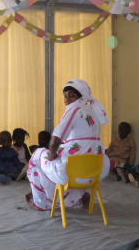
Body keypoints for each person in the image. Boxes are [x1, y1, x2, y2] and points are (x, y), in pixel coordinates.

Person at [26, 79, 110, 211]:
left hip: (71, 174)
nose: (67, 99)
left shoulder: (75, 111)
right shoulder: (94, 110)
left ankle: (40, 202)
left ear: (81, 96)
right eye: (65, 96)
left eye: (71, 95)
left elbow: (56, 139)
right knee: (66, 159)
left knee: (38, 155)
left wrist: (51, 157)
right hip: (94, 174)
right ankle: (80, 195)